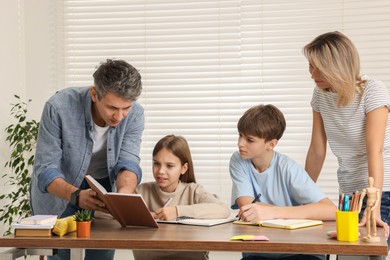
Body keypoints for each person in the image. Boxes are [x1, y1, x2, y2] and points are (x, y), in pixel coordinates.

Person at [30, 59, 144, 260]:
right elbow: (46, 168)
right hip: (62, 189)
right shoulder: (58, 107)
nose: (119, 116)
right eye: (112, 107)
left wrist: (123, 196)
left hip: (104, 189)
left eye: (126, 107)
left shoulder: (135, 113)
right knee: (61, 255)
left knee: (101, 254)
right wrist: (76, 195)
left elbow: (128, 161)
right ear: (94, 94)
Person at [303, 31, 390, 244]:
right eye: (310, 65)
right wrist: (301, 195)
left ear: (337, 66)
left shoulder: (372, 91)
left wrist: (374, 206)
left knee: (367, 249)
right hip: (349, 195)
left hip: (383, 191)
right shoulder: (320, 95)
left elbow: (375, 150)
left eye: (318, 67)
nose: (312, 73)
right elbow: (317, 150)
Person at [230, 104, 336, 260]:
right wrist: (296, 212)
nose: (240, 143)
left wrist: (272, 212)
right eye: (240, 135)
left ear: (271, 144)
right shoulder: (238, 160)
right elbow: (248, 208)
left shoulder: (288, 168)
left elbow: (330, 210)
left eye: (249, 140)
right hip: (260, 252)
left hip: (298, 251)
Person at [133, 134, 230, 260]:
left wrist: (178, 211)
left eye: (169, 166)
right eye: (156, 164)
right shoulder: (142, 191)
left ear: (183, 168)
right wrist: (139, 215)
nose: (161, 171)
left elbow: (223, 210)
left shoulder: (193, 190)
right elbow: (104, 214)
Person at [358, 177, 381, 242]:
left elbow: (378, 199)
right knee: (368, 219)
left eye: (371, 181)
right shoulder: (366, 189)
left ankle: (374, 233)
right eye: (369, 181)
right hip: (368, 205)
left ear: (373, 182)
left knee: (373, 219)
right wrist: (359, 208)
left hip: (373, 205)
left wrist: (375, 206)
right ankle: (368, 234)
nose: (370, 182)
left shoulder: (376, 190)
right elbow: (361, 199)